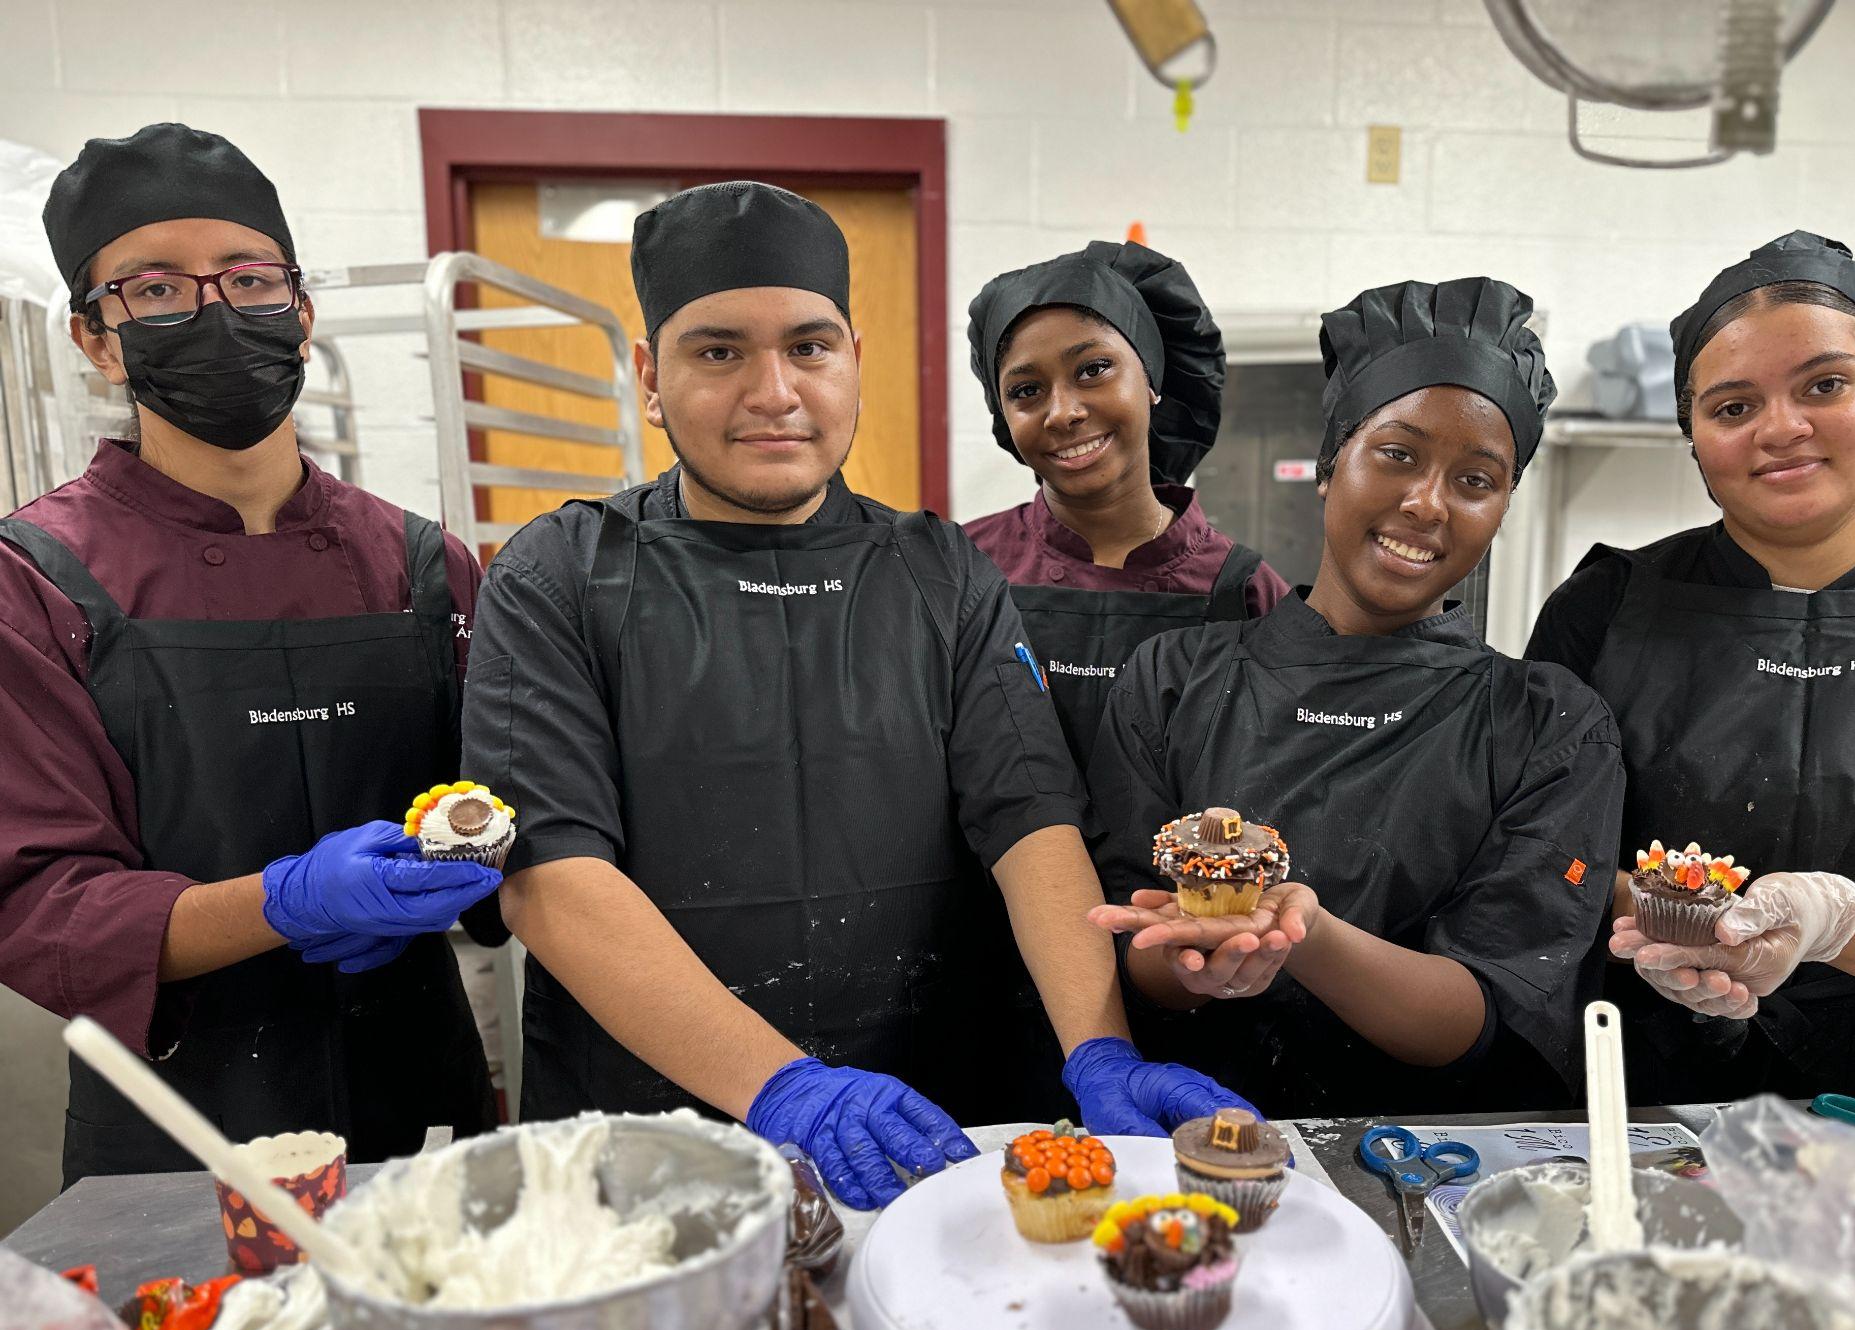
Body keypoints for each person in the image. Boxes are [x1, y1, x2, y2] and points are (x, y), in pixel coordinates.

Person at [461, 183, 1257, 1209]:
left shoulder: (940, 574)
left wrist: (1097, 1049)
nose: (774, 392)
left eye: (807, 347)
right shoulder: (558, 575)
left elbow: (1029, 818)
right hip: (648, 1144)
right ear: (649, 378)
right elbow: (547, 876)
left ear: (853, 361)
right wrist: (782, 1087)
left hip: (923, 1133)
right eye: (718, 352)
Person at [0, 124, 500, 1184]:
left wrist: (473, 867)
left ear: (301, 312)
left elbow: (504, 810)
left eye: (248, 278)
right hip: (181, 1127)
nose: (215, 312)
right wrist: (284, 901)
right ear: (96, 339)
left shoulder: (419, 563)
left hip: (420, 1090)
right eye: (156, 290)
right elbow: (37, 907)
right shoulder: (34, 580)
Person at [1086, 278, 1625, 1115]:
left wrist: (1302, 935)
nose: (1426, 503)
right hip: (1183, 1134)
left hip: (1419, 1161)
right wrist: (1197, 956)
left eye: (1476, 480)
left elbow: (1495, 1012)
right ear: (1331, 464)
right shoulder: (1171, 682)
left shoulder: (1548, 726)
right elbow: (1132, 947)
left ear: (1502, 508)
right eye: (1398, 454)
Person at [1526, 231, 1855, 1100]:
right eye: (1732, 407)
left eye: (1825, 385)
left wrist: (1825, 918)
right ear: (1694, 436)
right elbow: (1551, 859)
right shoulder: (1605, 611)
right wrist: (1686, 928)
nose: (1781, 428)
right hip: (1633, 1099)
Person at [964, 240, 1287, 772]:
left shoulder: (1244, 593)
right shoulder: (965, 567)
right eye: (1026, 390)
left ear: (1153, 380)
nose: (1063, 412)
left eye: (1093, 369)